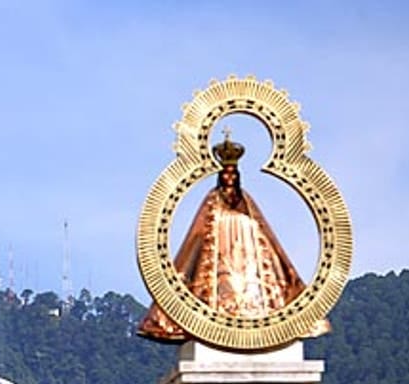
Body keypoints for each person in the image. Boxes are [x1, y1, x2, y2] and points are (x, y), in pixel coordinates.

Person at [138, 131, 322, 342]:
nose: (229, 178)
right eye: (226, 173)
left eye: (233, 174)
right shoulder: (212, 202)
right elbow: (198, 236)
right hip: (218, 258)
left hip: (247, 258)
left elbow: (262, 233)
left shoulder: (246, 203)